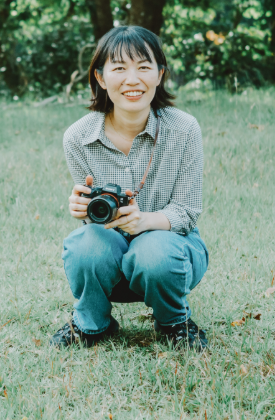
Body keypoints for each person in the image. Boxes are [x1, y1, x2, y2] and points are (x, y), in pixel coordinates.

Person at [54, 26, 209, 350]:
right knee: (84, 244)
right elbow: (94, 226)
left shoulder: (184, 129)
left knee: (154, 251)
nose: (132, 79)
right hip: (110, 252)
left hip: (171, 254)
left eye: (143, 67)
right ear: (100, 77)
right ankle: (90, 324)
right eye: (119, 68)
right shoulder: (77, 137)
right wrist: (82, 209)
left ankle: (173, 322)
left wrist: (145, 222)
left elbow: (188, 211)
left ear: (159, 74)